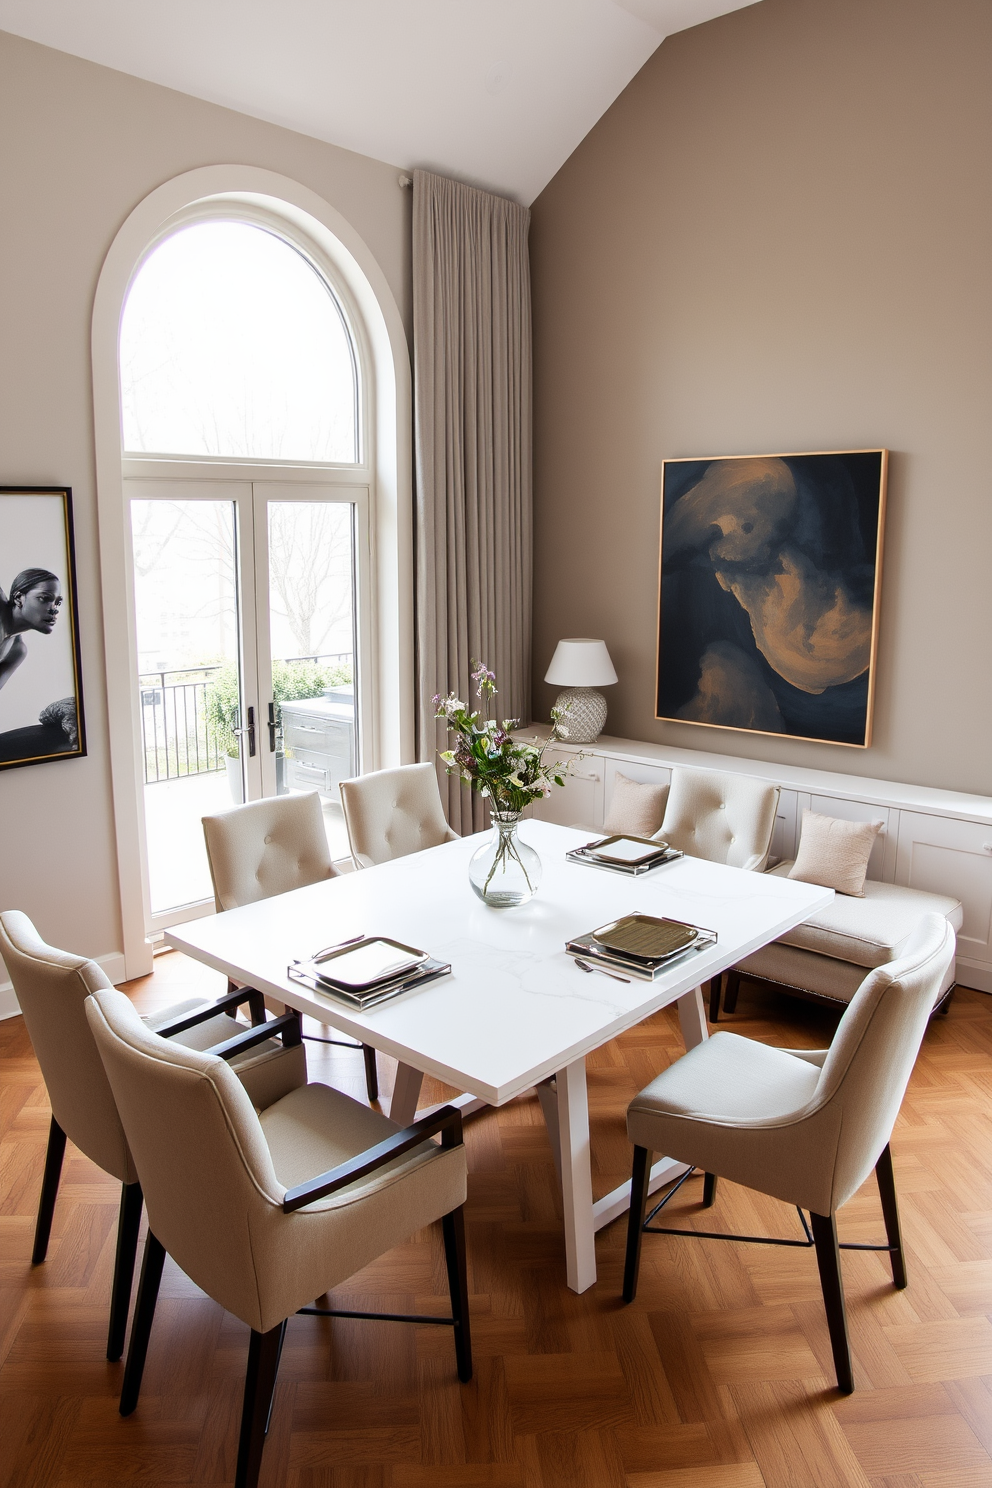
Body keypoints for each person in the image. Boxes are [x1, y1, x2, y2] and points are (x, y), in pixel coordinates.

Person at [0, 568, 63, 695]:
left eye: (57, 603)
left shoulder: (17, 651)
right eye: (44, 598)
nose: (54, 610)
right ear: (19, 598)